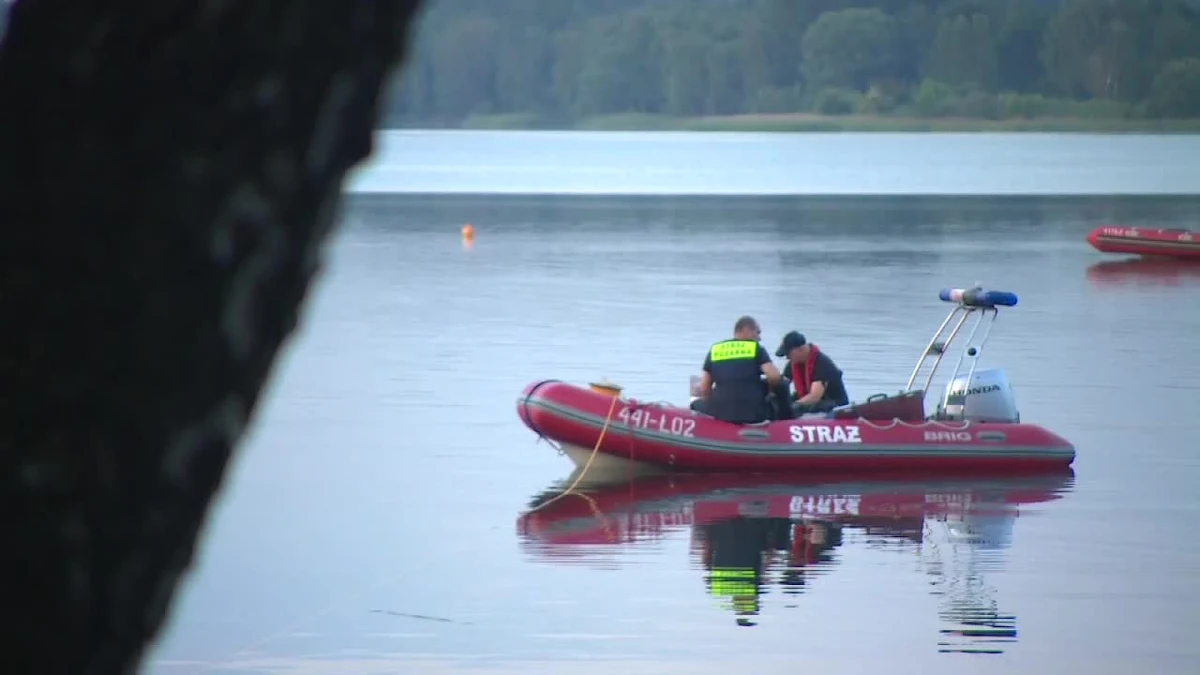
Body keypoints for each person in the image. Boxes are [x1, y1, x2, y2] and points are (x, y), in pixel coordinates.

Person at [691, 316, 782, 424]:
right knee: (782, 385)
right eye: (757, 332)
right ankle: (786, 423)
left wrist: (710, 404)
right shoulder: (756, 348)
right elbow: (774, 377)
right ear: (746, 330)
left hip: (721, 412)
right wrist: (769, 390)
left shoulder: (715, 350)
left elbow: (705, 388)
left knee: (694, 403)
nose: (759, 338)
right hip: (753, 413)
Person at [775, 331, 849, 415]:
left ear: (800, 349)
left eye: (788, 354)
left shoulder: (822, 362)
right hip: (809, 401)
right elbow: (783, 383)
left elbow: (815, 396)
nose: (787, 358)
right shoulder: (793, 363)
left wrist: (793, 406)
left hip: (833, 405)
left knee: (799, 407)